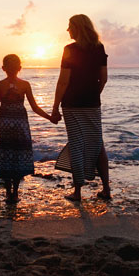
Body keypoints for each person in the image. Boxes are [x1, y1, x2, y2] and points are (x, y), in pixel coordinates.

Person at [50, 14, 111, 201]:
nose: (67, 30)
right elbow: (104, 77)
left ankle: (77, 192)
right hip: (92, 104)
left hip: (72, 104)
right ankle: (106, 189)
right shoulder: (98, 48)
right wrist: (94, 94)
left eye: (70, 26)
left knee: (77, 144)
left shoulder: (70, 50)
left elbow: (63, 82)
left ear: (77, 28)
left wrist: (54, 107)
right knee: (97, 144)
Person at [0, 54, 53, 202]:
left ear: (3, 68)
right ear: (19, 68)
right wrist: (50, 118)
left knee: (7, 153)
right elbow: (35, 108)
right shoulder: (25, 84)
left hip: (5, 124)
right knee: (18, 154)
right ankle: (15, 192)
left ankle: (8, 192)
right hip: (20, 124)